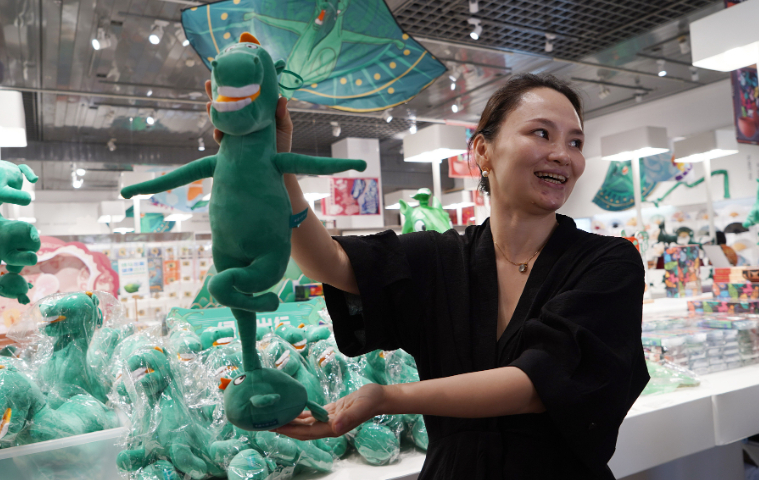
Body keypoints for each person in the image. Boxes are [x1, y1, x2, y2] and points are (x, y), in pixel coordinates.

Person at [205, 73, 649, 479]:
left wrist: (388, 397)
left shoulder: (608, 263)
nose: (563, 154)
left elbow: (538, 383)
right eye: (541, 133)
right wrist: (276, 168)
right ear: (482, 150)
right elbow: (331, 264)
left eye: (575, 142)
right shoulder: (441, 258)